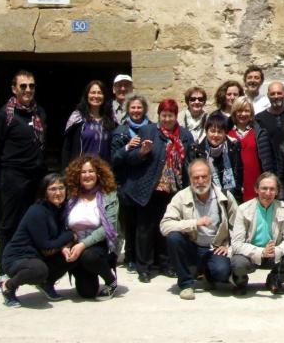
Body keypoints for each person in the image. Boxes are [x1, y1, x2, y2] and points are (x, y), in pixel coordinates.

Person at [118, 98, 194, 283]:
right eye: (163, 115)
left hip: (173, 190)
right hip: (150, 187)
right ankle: (143, 267)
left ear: (176, 116)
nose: (167, 119)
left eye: (171, 116)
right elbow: (130, 158)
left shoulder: (184, 135)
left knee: (167, 228)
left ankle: (166, 264)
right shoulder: (148, 131)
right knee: (145, 229)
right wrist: (142, 152)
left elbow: (189, 161)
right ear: (158, 115)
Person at [0, 70, 47, 292]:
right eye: (23, 86)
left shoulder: (38, 113)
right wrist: (3, 175)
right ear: (14, 89)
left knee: (32, 223)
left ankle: (31, 267)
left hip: (35, 177)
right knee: (9, 225)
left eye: (31, 86)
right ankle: (2, 270)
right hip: (13, 177)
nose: (28, 90)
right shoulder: (6, 115)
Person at [160, 159, 239, 300]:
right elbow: (164, 225)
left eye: (204, 176)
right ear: (190, 179)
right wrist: (195, 223)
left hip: (215, 247)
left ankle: (207, 273)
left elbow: (239, 226)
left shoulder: (225, 196)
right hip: (192, 246)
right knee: (174, 237)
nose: (200, 181)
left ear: (210, 177)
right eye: (196, 177)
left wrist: (230, 247)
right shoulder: (181, 196)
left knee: (222, 273)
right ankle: (186, 285)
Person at [0, 173, 73, 308]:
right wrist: (70, 236)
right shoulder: (37, 211)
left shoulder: (59, 210)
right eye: (53, 189)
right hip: (18, 258)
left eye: (61, 188)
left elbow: (58, 238)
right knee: (39, 270)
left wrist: (65, 245)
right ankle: (8, 287)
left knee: (73, 252)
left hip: (38, 256)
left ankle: (47, 283)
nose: (58, 193)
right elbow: (45, 245)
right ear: (44, 192)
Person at [230, 172, 284, 294]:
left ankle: (274, 279)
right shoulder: (243, 209)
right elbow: (236, 244)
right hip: (250, 255)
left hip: (274, 254)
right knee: (237, 262)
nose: (268, 193)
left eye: (272, 189)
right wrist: (261, 252)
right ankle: (241, 282)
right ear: (256, 189)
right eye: (264, 188)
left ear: (277, 191)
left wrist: (276, 251)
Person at [63, 155, 120, 299]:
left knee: (89, 256)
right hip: (73, 241)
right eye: (83, 172)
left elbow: (109, 227)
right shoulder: (70, 195)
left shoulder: (109, 195)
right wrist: (66, 245)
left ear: (98, 173)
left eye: (91, 171)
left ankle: (111, 281)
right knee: (86, 293)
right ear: (77, 175)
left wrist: (82, 245)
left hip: (98, 244)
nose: (87, 175)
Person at [110, 94, 150, 273]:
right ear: (128, 110)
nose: (136, 111)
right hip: (126, 183)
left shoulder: (151, 129)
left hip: (145, 182)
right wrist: (127, 147)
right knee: (130, 224)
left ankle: (146, 258)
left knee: (145, 223)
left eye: (139, 107)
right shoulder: (120, 131)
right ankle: (131, 257)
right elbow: (114, 159)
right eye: (133, 108)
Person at [188, 111, 243, 203]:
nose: (216, 135)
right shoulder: (196, 150)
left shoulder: (233, 146)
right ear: (206, 131)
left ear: (225, 133)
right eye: (212, 131)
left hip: (230, 197)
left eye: (220, 132)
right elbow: (190, 176)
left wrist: (236, 192)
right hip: (204, 197)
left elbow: (238, 171)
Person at [228, 98, 275, 202]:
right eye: (239, 111)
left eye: (246, 111)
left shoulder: (259, 133)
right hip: (235, 185)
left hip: (255, 182)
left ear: (251, 113)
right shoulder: (228, 133)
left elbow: (268, 162)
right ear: (234, 112)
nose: (243, 114)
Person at [62, 80, 116, 165]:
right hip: (82, 172)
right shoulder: (77, 118)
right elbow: (67, 148)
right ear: (87, 95)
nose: (96, 96)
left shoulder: (111, 120)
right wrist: (65, 172)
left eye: (99, 93)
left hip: (104, 172)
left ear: (104, 96)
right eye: (93, 92)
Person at [255, 81, 284, 158]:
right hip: (269, 163)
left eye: (279, 93)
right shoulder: (259, 118)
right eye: (272, 94)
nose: (276, 96)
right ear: (268, 96)